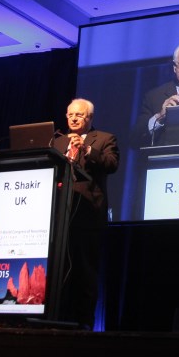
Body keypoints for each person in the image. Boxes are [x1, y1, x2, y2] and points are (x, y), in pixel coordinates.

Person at [51, 98, 120, 329]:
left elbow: (112, 164)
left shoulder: (104, 138)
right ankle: (54, 321)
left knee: (85, 274)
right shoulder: (57, 142)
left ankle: (85, 326)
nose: (73, 119)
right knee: (57, 273)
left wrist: (87, 149)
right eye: (70, 115)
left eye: (79, 115)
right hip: (58, 217)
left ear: (89, 117)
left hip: (87, 215)